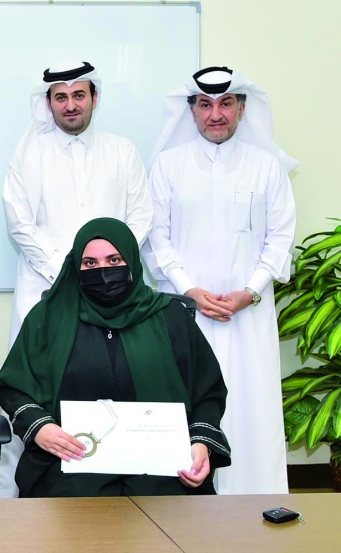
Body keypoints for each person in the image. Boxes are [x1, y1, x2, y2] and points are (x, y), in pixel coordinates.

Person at [0, 62, 152, 497]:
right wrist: (67, 273)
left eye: (79, 95)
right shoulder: (28, 153)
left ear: (94, 98)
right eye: (60, 97)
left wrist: (109, 271)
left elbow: (139, 218)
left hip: (116, 296)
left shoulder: (122, 150)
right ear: (48, 103)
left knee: (114, 383)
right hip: (45, 292)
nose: (70, 105)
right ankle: (24, 494)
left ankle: (118, 483)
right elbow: (19, 223)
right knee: (35, 390)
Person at [0, 218, 230, 498]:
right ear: (76, 267)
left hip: (161, 470)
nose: (103, 271)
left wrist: (199, 445)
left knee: (170, 530)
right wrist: (42, 428)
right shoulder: (49, 318)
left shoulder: (171, 317)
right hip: (72, 464)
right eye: (90, 264)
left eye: (114, 259)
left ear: (131, 260)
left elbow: (207, 391)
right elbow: (14, 387)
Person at [145, 67, 296, 495]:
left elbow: (281, 236)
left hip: (247, 316)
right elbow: (157, 237)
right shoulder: (167, 166)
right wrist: (189, 290)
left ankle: (257, 503)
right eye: (206, 104)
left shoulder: (267, 167)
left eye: (226, 103)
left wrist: (250, 291)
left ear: (242, 109)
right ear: (191, 111)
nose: (216, 114)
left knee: (252, 409)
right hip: (184, 313)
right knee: (186, 403)